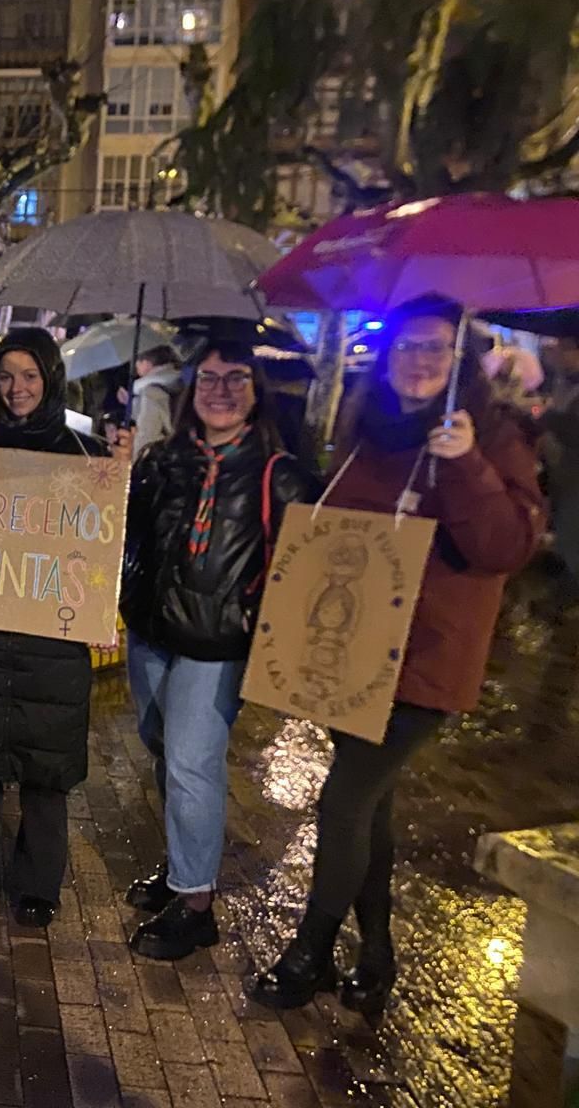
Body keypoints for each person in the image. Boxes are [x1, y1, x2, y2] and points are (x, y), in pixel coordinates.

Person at [250, 295, 542, 1013]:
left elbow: (506, 546)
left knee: (343, 799)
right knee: (370, 810)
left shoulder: (492, 437)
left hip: (426, 660)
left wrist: (466, 463)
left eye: (435, 346)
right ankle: (376, 955)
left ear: (459, 358)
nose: (419, 360)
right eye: (406, 346)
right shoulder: (366, 432)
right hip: (353, 659)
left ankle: (311, 952)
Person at [119, 339, 318, 961]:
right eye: (208, 378)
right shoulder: (161, 460)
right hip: (151, 631)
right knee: (163, 747)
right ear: (191, 388)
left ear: (256, 392)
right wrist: (117, 474)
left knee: (191, 762)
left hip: (218, 644)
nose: (221, 390)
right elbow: (127, 534)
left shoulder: (280, 473)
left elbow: (309, 564)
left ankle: (197, 904)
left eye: (236, 378)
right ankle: (184, 866)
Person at [0, 329, 102, 928]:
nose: (16, 388)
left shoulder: (88, 457)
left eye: (29, 376)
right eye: (5, 377)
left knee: (45, 766)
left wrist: (102, 605)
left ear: (50, 379)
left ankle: (38, 881)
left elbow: (106, 548)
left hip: (52, 639)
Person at [541, 337, 579, 613]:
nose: (556, 353)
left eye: (564, 348)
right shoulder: (565, 379)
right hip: (565, 473)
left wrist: (548, 418)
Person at [126, 344, 184, 458]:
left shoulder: (151, 392)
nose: (135, 366)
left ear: (147, 363)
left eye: (138, 361)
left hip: (156, 457)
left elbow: (146, 434)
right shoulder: (177, 383)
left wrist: (136, 461)